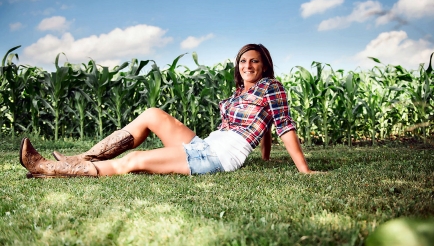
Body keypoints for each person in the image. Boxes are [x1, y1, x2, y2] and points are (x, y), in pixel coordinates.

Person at [19, 44, 315, 178]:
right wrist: (264, 156)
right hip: (207, 144)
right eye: (242, 62)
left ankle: (49, 168)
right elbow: (264, 126)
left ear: (264, 65)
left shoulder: (271, 87)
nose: (247, 66)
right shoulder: (240, 93)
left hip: (218, 156)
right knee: (152, 114)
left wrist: (304, 170)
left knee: (134, 160)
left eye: (254, 61)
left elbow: (283, 124)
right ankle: (83, 158)